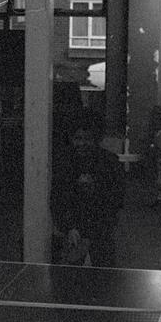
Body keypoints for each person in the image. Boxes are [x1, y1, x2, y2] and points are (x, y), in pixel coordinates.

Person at [50, 110, 125, 267]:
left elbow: (117, 198)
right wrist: (69, 226)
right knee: (69, 278)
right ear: (71, 138)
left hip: (101, 229)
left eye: (88, 139)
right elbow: (58, 196)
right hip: (73, 231)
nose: (82, 143)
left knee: (104, 276)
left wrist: (94, 189)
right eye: (78, 138)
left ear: (96, 139)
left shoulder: (110, 163)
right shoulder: (63, 163)